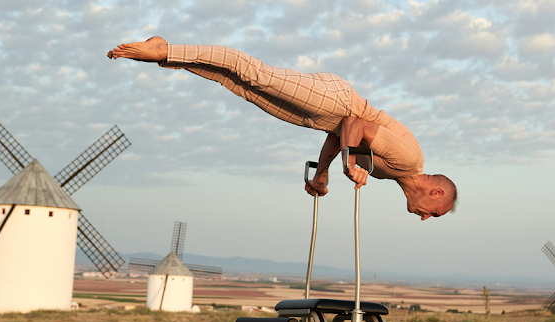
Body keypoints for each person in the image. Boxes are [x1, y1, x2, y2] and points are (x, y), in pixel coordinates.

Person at [109, 37, 457, 221]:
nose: (427, 218)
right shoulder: (409, 160)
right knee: (256, 74)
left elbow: (339, 136)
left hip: (323, 118)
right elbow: (354, 124)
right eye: (435, 214)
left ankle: (169, 58)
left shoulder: (387, 175)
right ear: (436, 194)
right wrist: (349, 164)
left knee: (244, 87)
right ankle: (164, 48)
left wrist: (323, 175)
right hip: (337, 103)